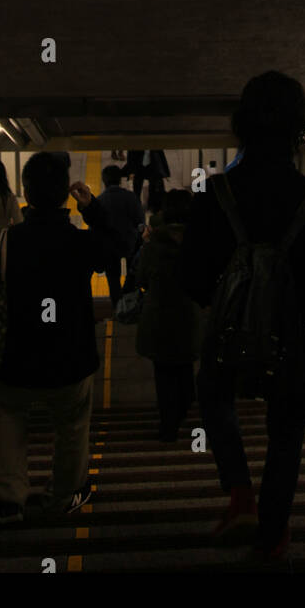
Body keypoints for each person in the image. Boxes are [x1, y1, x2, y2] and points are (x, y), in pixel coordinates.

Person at [180, 71, 305, 561]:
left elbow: (191, 281)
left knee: (214, 392)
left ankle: (239, 491)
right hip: (294, 342)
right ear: (301, 129)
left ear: (241, 123)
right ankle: (274, 533)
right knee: (287, 431)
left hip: (228, 339)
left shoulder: (214, 195)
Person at [0, 151, 121, 525]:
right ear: (66, 194)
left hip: (15, 356)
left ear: (26, 191)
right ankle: (62, 497)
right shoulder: (78, 242)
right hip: (69, 357)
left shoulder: (6, 241)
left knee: (11, 423)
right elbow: (116, 246)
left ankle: (9, 502)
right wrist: (91, 208)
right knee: (72, 427)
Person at [135, 189, 201, 442]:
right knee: (185, 369)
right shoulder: (199, 242)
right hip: (189, 316)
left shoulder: (152, 245)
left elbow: (140, 279)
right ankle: (184, 408)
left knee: (163, 375)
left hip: (158, 318)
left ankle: (168, 426)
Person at [96, 164, 145, 307]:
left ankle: (117, 307)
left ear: (104, 181)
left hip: (110, 247)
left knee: (113, 279)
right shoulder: (131, 197)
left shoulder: (100, 201)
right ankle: (130, 304)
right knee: (132, 275)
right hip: (131, 242)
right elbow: (140, 220)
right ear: (120, 180)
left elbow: (96, 227)